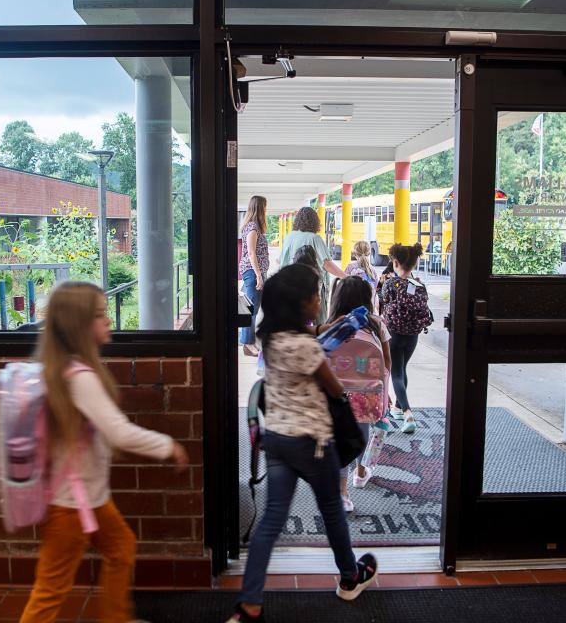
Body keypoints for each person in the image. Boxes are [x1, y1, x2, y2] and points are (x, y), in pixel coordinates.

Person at [20, 281, 190, 623]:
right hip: (71, 506)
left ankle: (116, 618)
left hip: (88, 499)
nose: (108, 320)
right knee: (50, 590)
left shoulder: (66, 369)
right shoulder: (79, 377)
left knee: (121, 548)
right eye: (99, 315)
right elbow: (119, 432)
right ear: (77, 326)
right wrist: (167, 446)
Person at [228, 264, 378, 623]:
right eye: (315, 294)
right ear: (300, 304)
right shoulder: (307, 348)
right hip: (313, 443)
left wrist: (330, 330)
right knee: (332, 511)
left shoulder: (275, 340)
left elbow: (309, 341)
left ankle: (249, 604)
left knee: (271, 521)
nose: (319, 299)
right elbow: (334, 388)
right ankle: (349, 577)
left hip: (278, 441)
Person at [327, 276, 392, 513]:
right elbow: (387, 363)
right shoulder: (376, 323)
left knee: (342, 440)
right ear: (367, 297)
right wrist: (384, 392)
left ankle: (342, 493)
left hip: (337, 393)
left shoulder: (333, 323)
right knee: (361, 434)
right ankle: (361, 471)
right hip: (367, 392)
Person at [378, 243, 432, 435]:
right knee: (402, 369)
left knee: (397, 374)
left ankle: (407, 413)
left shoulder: (391, 284)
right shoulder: (419, 285)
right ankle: (398, 409)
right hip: (413, 336)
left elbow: (382, 300)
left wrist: (382, 283)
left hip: (394, 335)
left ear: (395, 262)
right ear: (415, 264)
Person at [279, 206, 348, 324]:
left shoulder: (289, 237)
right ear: (314, 221)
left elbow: (281, 261)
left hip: (291, 285)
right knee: (319, 321)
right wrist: (346, 277)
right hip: (313, 286)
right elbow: (327, 264)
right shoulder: (315, 238)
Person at [239, 195, 270, 357]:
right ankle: (247, 343)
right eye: (264, 207)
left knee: (251, 307)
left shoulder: (254, 226)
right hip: (252, 272)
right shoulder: (252, 227)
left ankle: (247, 339)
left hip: (254, 272)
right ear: (259, 208)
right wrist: (259, 276)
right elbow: (251, 253)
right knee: (251, 309)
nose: (266, 210)